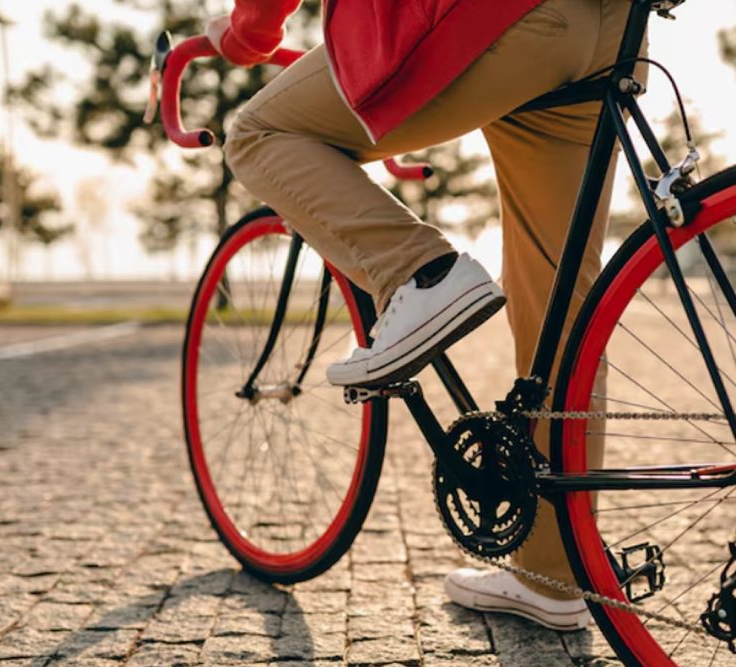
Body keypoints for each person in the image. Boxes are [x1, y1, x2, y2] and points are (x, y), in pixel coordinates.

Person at [207, 0, 638, 631]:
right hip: (613, 30)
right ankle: (554, 573)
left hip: (498, 17)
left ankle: (419, 272)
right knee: (561, 308)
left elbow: (261, 26)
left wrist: (247, 32)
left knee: (260, 133)